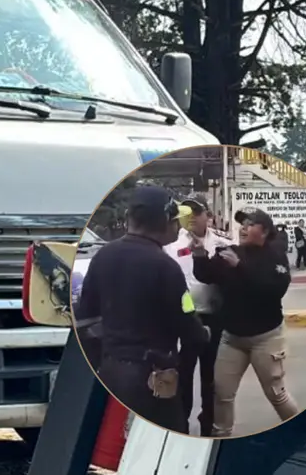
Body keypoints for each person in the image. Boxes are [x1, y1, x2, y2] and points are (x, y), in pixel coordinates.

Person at [74, 185, 209, 434]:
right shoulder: (166, 267)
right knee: (169, 438)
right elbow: (188, 322)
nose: (179, 226)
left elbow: (85, 319)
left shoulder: (103, 256)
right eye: (175, 219)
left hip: (111, 372)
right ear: (166, 221)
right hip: (153, 378)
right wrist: (204, 334)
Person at [191, 208, 299, 437]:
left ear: (265, 231)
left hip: (266, 338)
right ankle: (221, 436)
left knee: (277, 395)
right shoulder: (230, 251)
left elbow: (273, 291)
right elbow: (206, 275)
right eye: (242, 224)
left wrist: (240, 267)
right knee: (221, 393)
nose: (243, 228)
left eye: (250, 224)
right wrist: (199, 255)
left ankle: (302, 432)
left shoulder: (276, 257)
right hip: (232, 338)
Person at [164, 196, 235, 436]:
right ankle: (180, 422)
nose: (193, 217)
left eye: (198, 212)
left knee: (211, 376)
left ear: (209, 215)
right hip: (184, 319)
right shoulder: (171, 244)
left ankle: (209, 423)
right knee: (182, 374)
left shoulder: (224, 242)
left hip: (214, 317)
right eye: (188, 212)